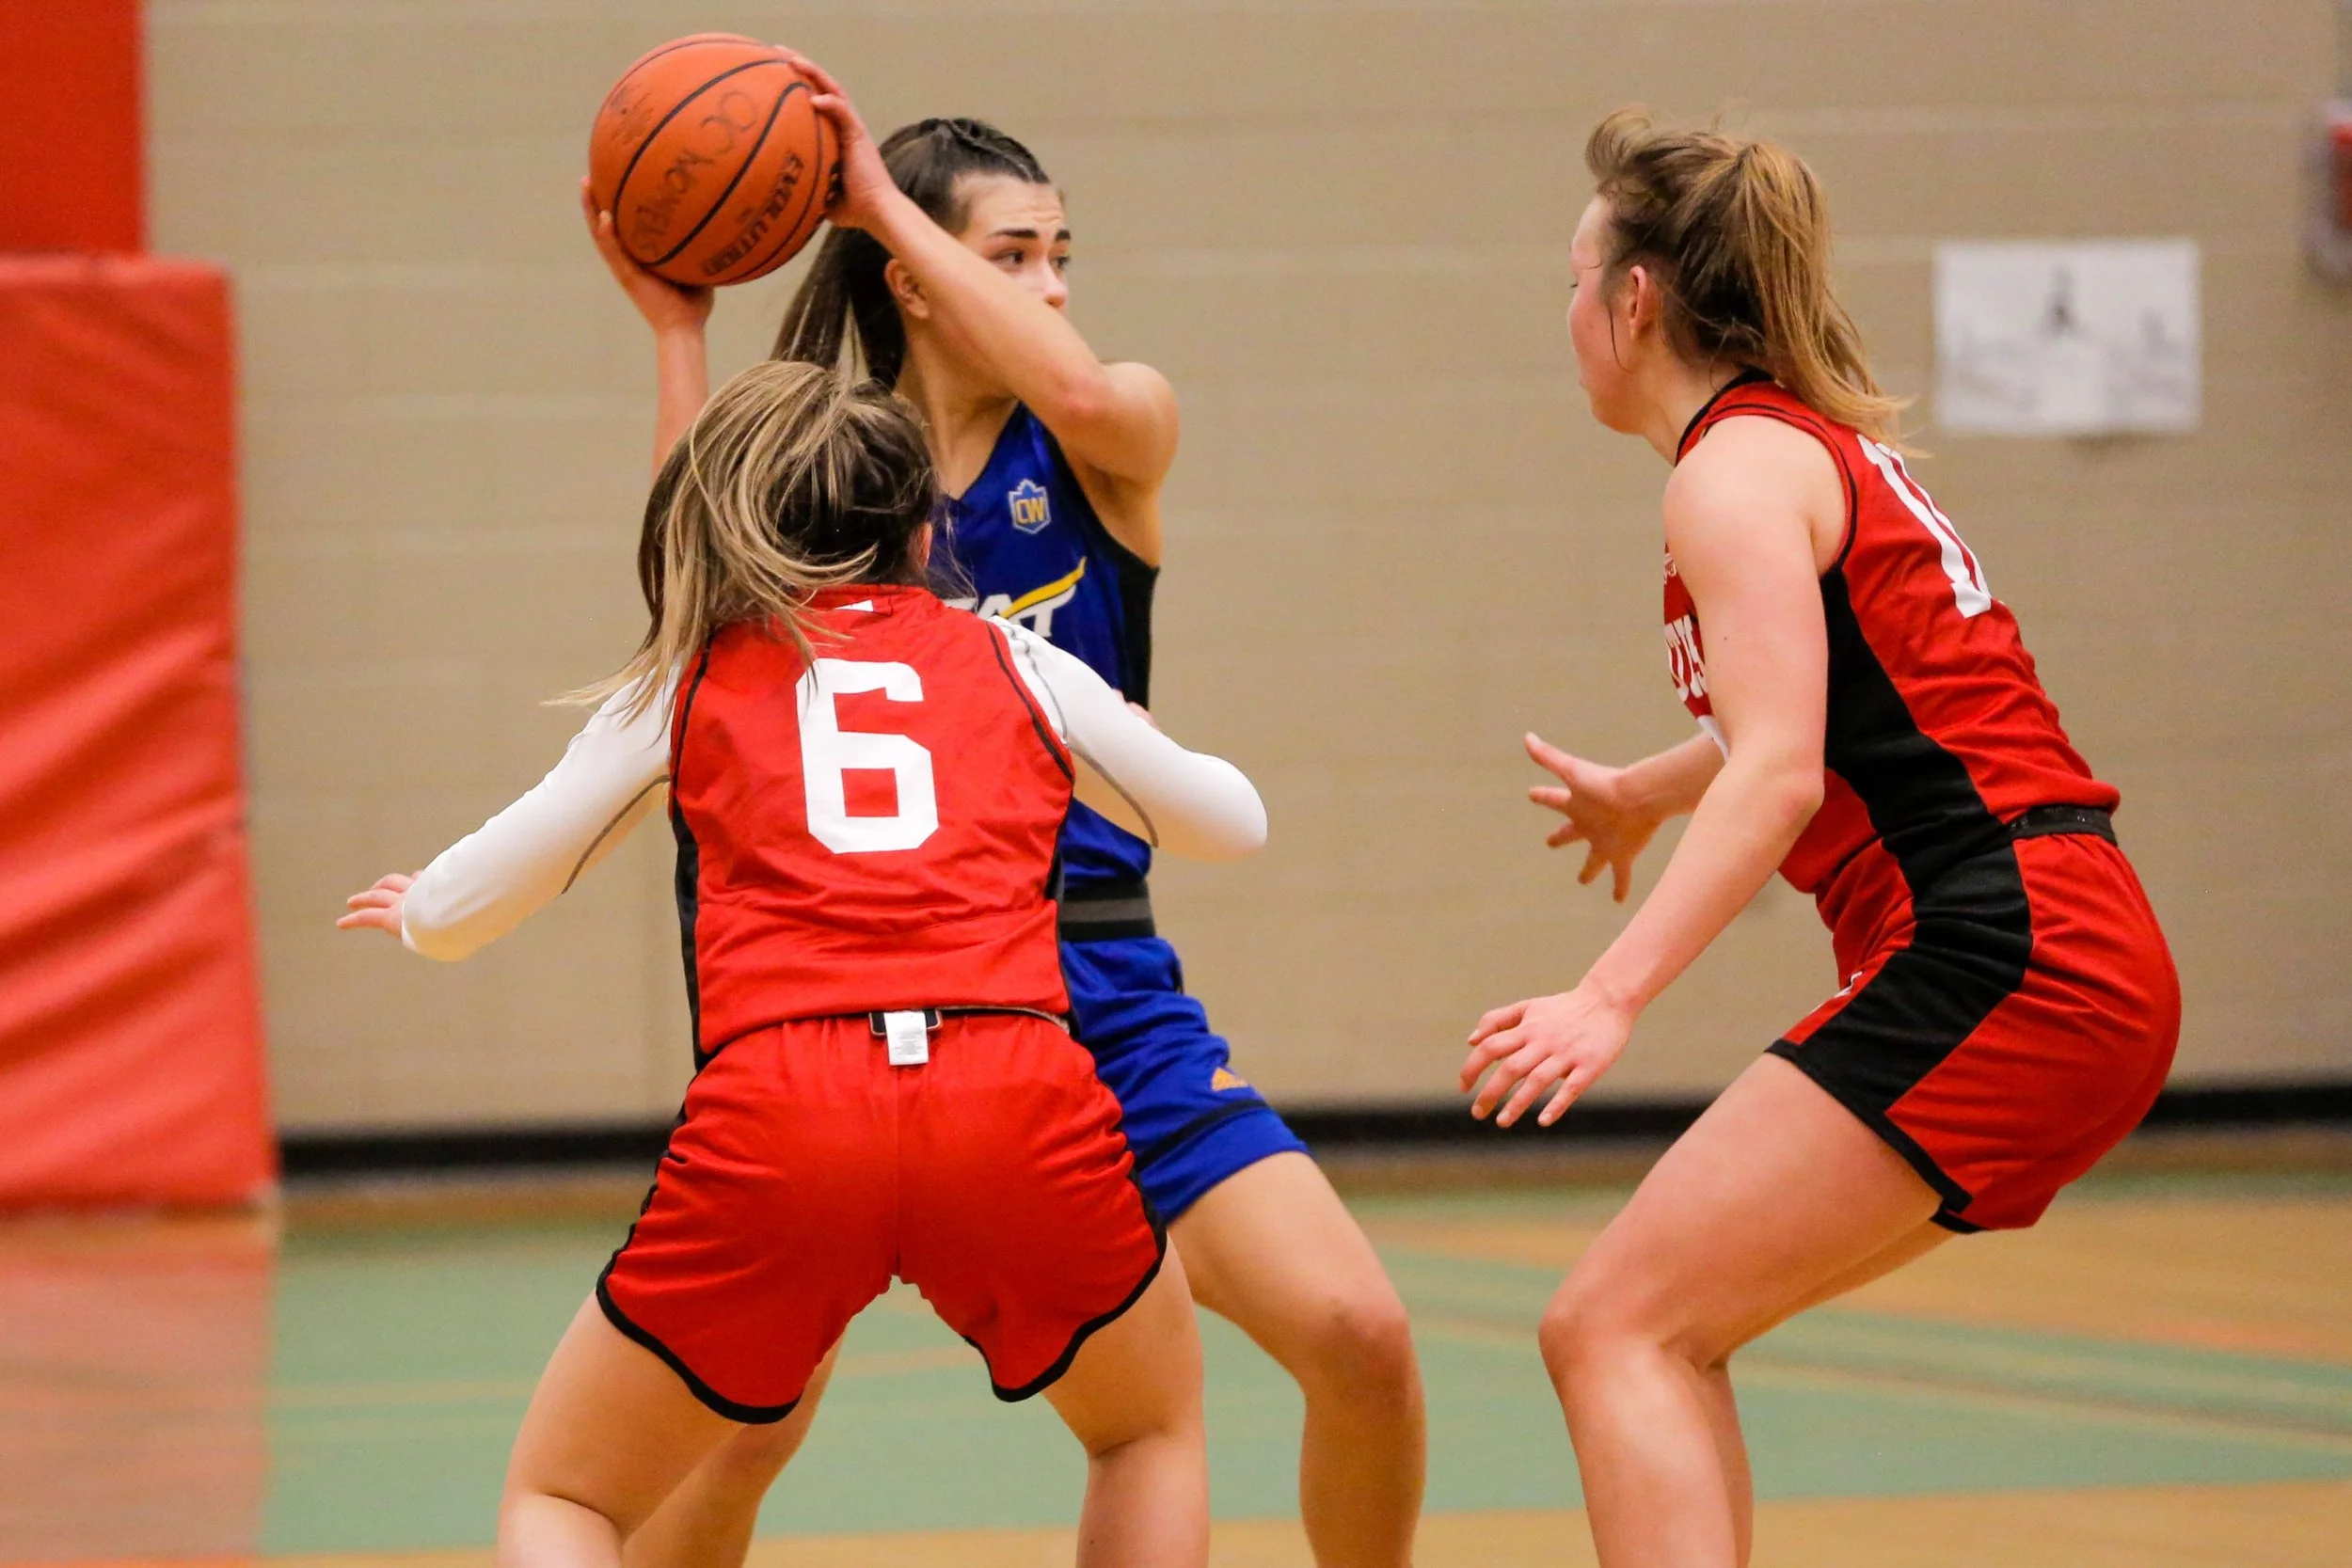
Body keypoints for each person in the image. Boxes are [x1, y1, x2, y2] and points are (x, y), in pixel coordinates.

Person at [581, 56, 1423, 1568]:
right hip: (862, 985)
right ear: (911, 280)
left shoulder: (1109, 431)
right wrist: (677, 334)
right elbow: (691, 593)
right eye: (1013, 256)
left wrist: (877, 196)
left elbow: (1091, 386)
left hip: (1097, 978)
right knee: (743, 1431)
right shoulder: (818, 467)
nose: (1049, 288)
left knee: (1359, 1329)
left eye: (1061, 257)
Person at [340, 360, 1275, 1568]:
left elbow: (475, 901)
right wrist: (1130, 736)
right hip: (1010, 1084)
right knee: (1146, 1428)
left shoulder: (692, 676)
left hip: (784, 1106)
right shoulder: (1013, 660)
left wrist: (423, 914)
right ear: (928, 529)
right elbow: (1232, 823)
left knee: (567, 1497)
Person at [1457, 112, 2179, 1568]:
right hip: (2060, 935)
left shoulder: (1727, 472)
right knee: (1668, 1328)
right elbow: (1845, 713)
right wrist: (1649, 790)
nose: (1569, 314)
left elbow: (1785, 767)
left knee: (1609, 1322)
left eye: (1574, 276)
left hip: (2009, 945)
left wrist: (1611, 992)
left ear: (1634, 300)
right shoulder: (1797, 448)